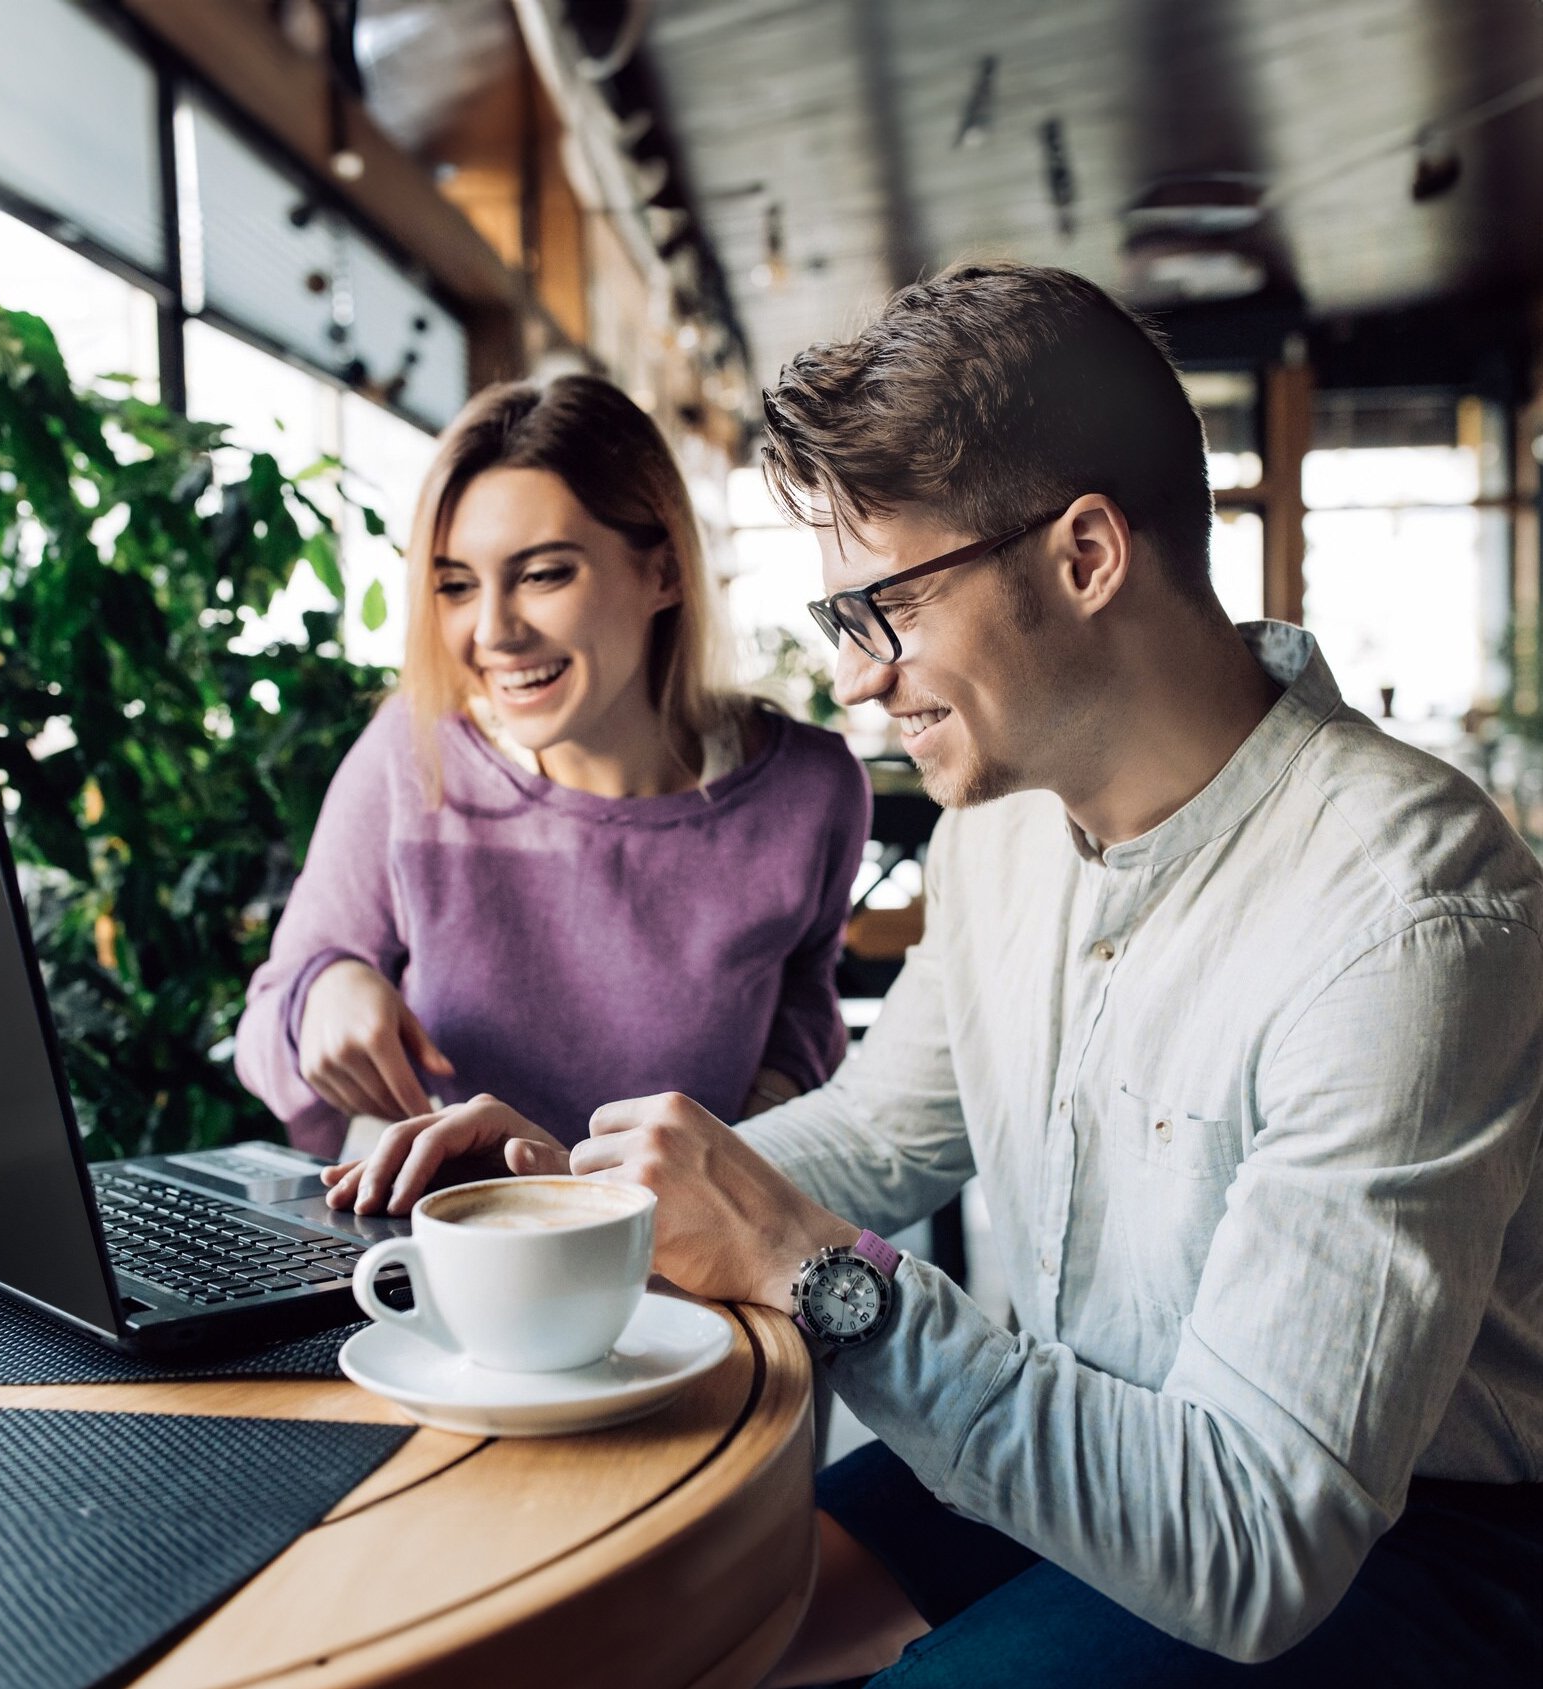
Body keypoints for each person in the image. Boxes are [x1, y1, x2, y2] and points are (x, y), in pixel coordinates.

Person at [335, 267, 1543, 1685]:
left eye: (883, 608)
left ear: (1084, 555)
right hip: (1080, 1422)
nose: (851, 681)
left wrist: (811, 1273)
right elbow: (885, 1131)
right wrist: (580, 1197)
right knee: (651, 1630)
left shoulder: (1406, 908)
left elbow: (1251, 1538)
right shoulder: (1007, 819)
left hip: (1387, 1534)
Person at [235, 373, 871, 1174]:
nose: (493, 631)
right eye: (456, 586)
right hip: (452, 1256)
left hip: (687, 1261)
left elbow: (804, 999)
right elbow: (269, 1020)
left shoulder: (808, 792)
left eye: (542, 574)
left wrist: (748, 1144)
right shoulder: (412, 752)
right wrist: (321, 993)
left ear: (665, 572)